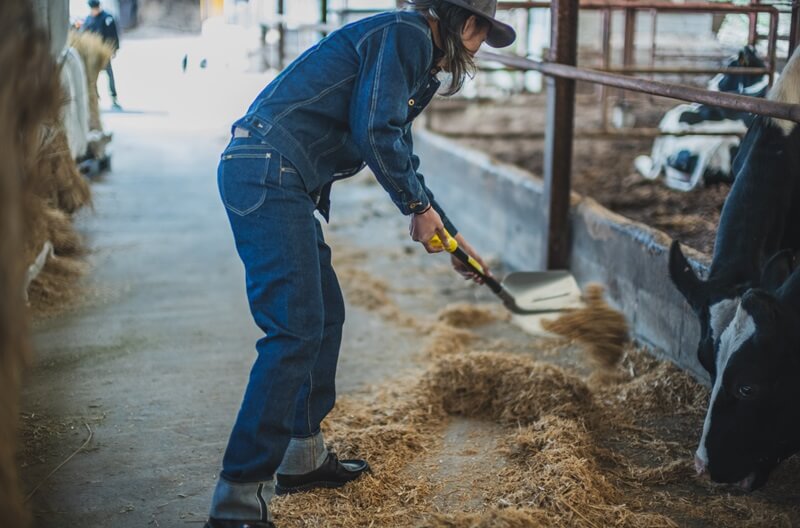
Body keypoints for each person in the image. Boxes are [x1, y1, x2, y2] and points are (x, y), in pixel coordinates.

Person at [206, 1, 515, 527]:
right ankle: (237, 495)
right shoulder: (407, 35)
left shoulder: (411, 52)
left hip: (276, 176)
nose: (481, 43)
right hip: (267, 173)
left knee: (324, 314)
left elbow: (397, 144)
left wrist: (448, 231)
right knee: (293, 330)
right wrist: (415, 208)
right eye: (483, 28)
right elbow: (375, 130)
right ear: (464, 21)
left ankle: (301, 459)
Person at [82, 0, 122, 110]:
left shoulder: (107, 18)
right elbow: (84, 33)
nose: (94, 11)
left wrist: (114, 49)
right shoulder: (88, 19)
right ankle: (95, 99)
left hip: (104, 52)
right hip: (92, 53)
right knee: (93, 77)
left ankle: (113, 97)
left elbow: (113, 35)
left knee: (109, 74)